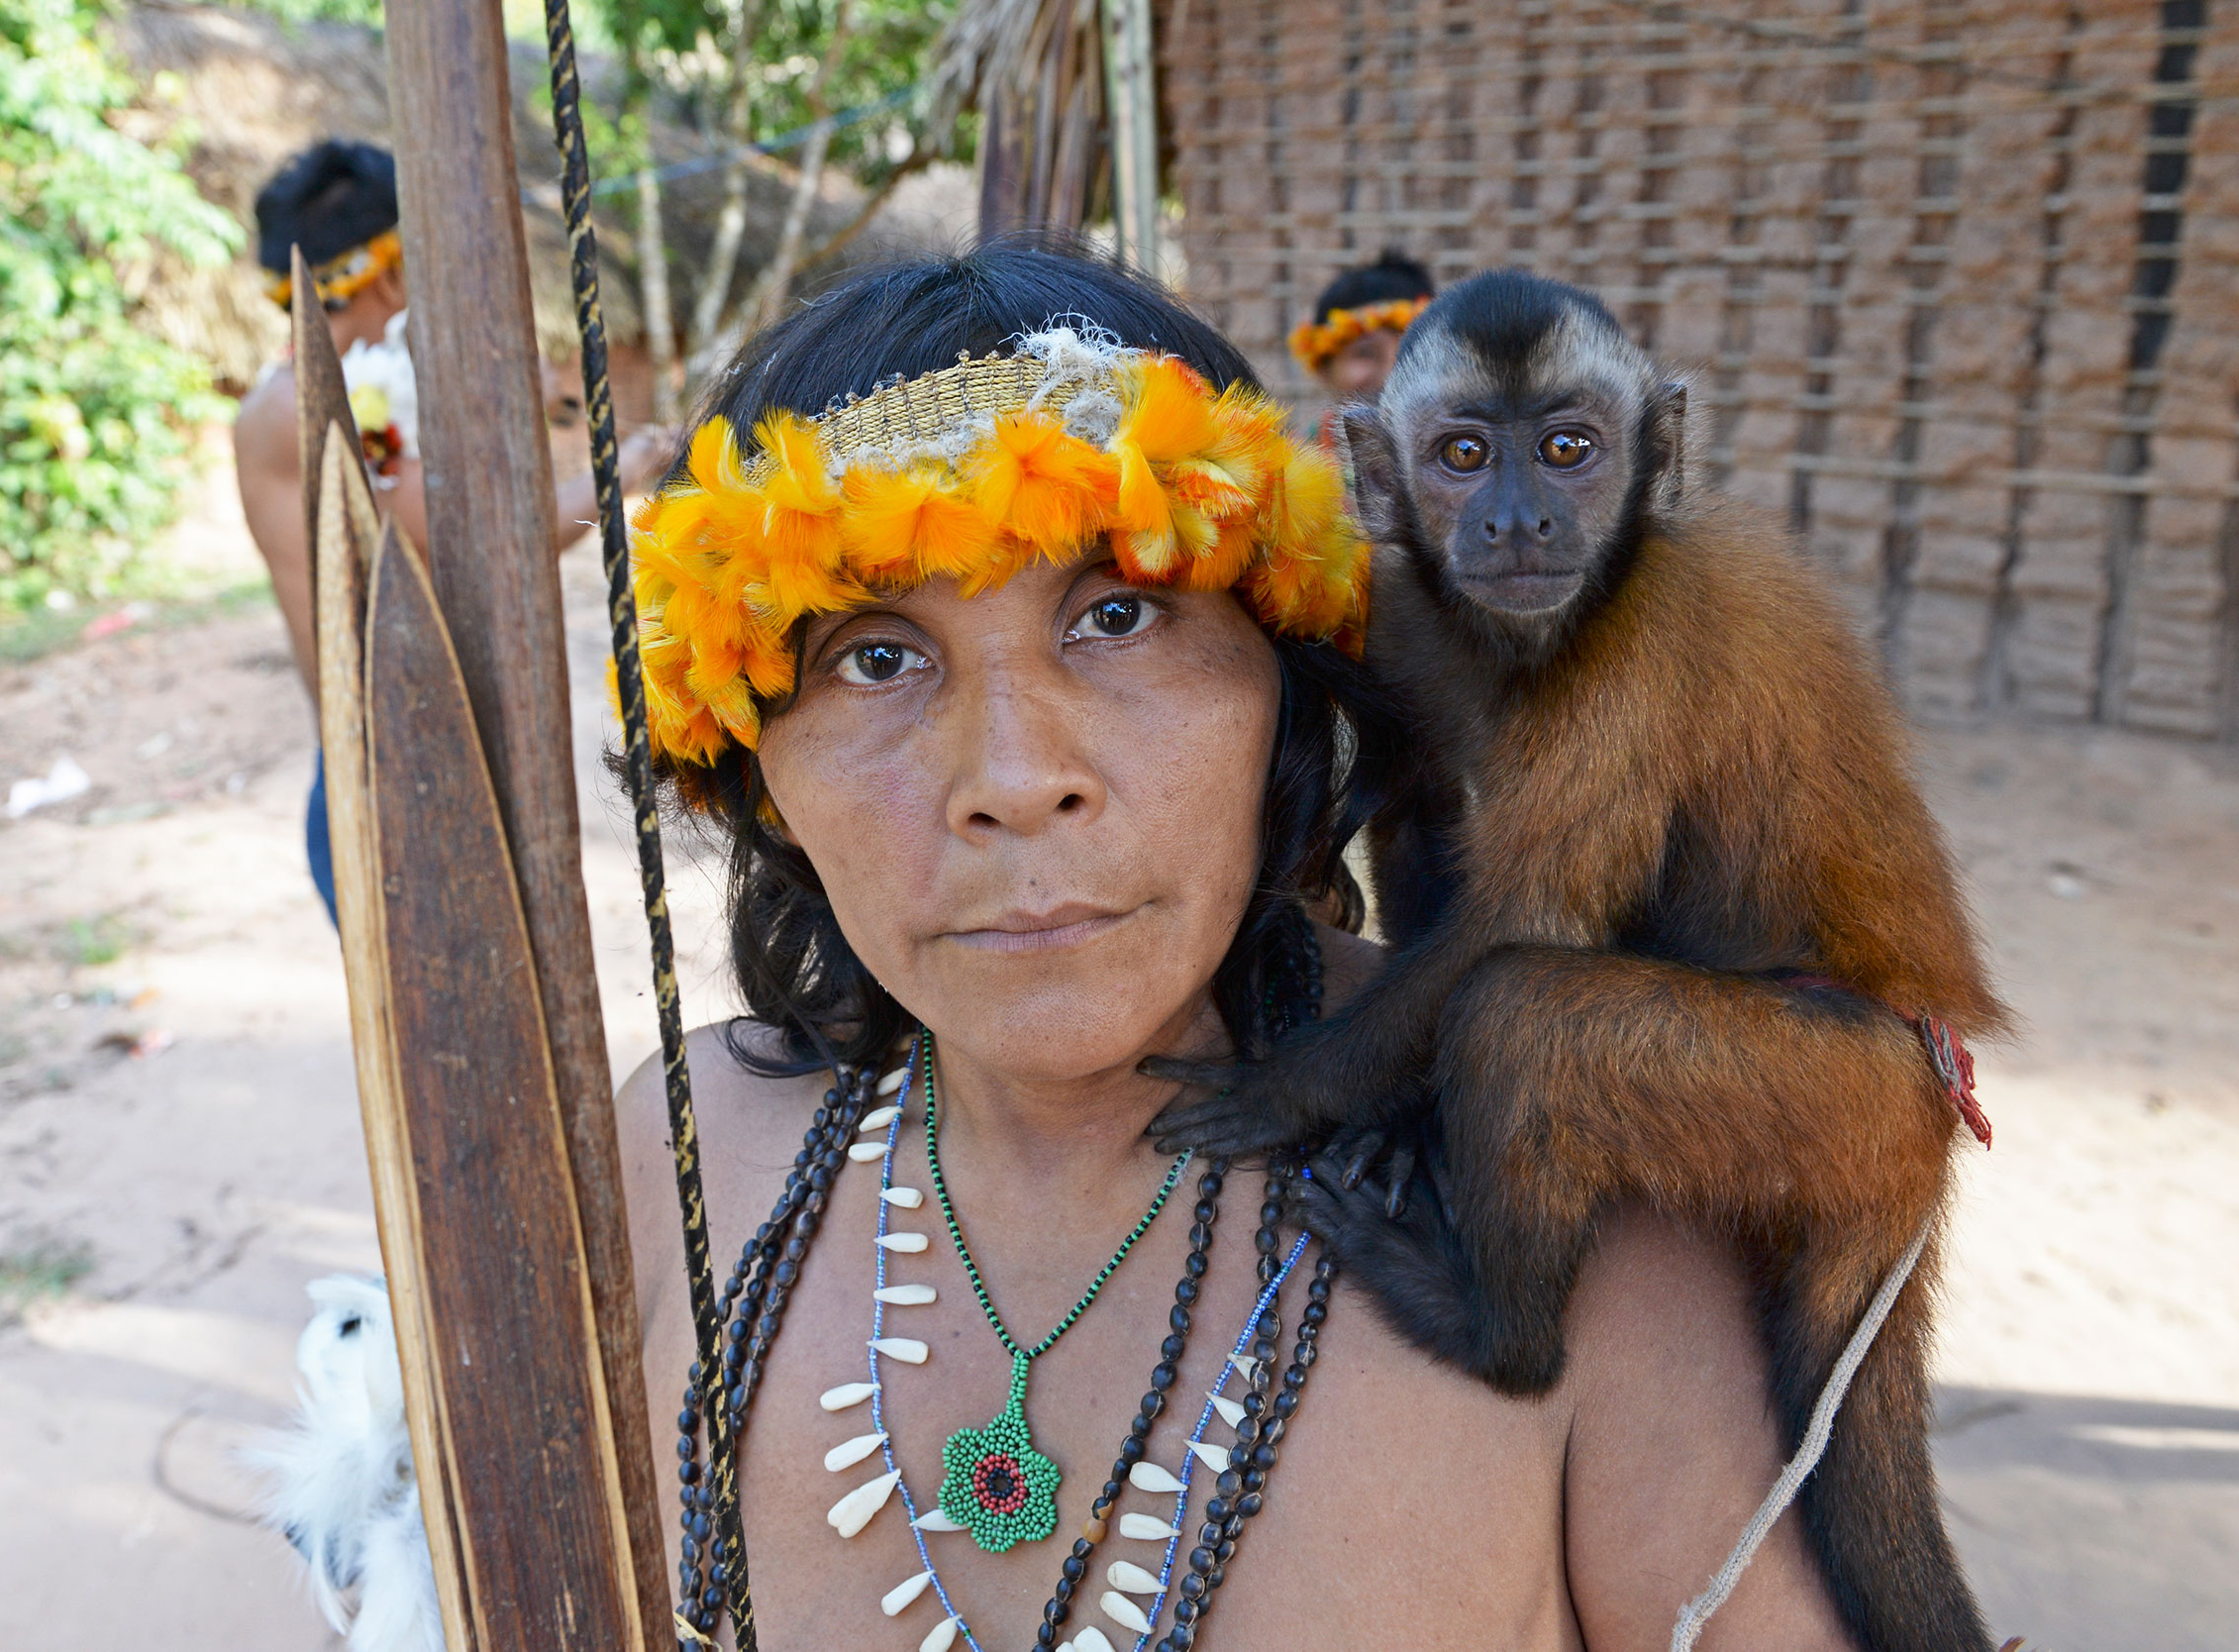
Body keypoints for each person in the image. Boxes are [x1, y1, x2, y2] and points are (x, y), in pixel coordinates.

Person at [615, 243, 1859, 1650]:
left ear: (1286, 674)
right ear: (753, 759)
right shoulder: (675, 1164)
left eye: (1119, 612)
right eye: (876, 656)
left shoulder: (1585, 1214)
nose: (1017, 777)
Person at [231, 139, 669, 922]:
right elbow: (500, 551)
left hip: (412, 772)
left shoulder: (324, 396)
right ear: (392, 271)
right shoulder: (319, 408)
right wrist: (621, 474)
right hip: (392, 790)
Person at [1287, 250, 1435, 412]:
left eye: (1412, 352)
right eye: (1366, 353)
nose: (1391, 374)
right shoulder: (1289, 439)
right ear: (1324, 370)